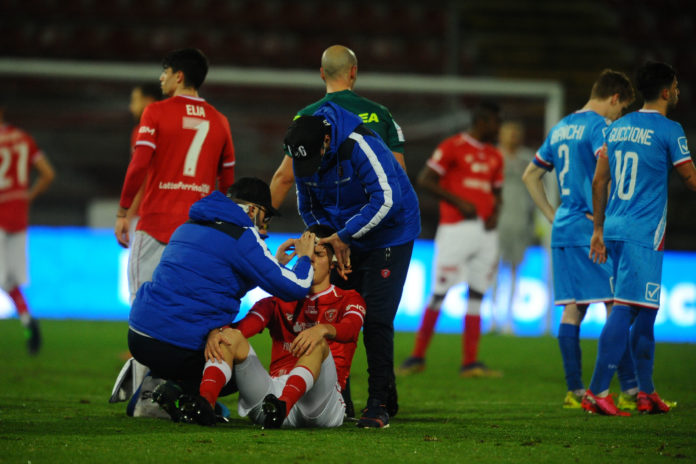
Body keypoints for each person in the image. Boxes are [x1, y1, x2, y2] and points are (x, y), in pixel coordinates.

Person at [125, 177, 315, 420]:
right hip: (175, 344)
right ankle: (175, 393)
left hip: (139, 335)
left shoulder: (189, 225)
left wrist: (275, 263)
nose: (265, 226)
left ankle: (153, 385)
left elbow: (217, 278)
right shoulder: (243, 235)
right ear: (253, 210)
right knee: (237, 367)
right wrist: (305, 258)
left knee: (199, 339)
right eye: (266, 217)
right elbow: (296, 288)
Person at [283, 103, 421, 428]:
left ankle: (379, 402)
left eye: (315, 159)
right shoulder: (305, 154)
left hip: (390, 234)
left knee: (375, 319)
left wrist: (344, 235)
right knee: (334, 312)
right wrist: (329, 241)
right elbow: (308, 206)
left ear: (326, 141)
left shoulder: (360, 144)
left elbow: (387, 200)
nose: (310, 168)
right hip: (344, 236)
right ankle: (339, 398)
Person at [522, 69, 639, 409]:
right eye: (622, 109)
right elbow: (607, 177)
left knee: (573, 310)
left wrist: (552, 215)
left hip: (563, 228)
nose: (620, 116)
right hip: (590, 228)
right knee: (616, 305)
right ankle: (631, 390)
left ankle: (574, 391)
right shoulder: (601, 127)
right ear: (614, 98)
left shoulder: (561, 127)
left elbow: (530, 175)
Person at [584, 62, 696, 416]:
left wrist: (598, 229)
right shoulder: (670, 129)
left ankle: (645, 392)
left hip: (615, 227)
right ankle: (597, 391)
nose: (677, 91)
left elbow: (599, 181)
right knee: (625, 308)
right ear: (665, 91)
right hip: (643, 233)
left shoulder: (617, 127)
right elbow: (690, 178)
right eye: (675, 86)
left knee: (646, 311)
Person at [184, 224, 366, 427]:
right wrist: (217, 332)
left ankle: (284, 404)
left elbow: (351, 329)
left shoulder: (349, 299)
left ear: (333, 263)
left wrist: (322, 329)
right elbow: (241, 330)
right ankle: (205, 405)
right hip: (272, 398)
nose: (311, 260)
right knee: (228, 337)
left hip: (320, 404)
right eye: (307, 254)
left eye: (319, 254)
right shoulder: (277, 301)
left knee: (317, 342)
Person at [114, 48, 236, 302]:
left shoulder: (155, 112)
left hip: (156, 226)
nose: (161, 78)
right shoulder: (221, 121)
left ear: (178, 76)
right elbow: (227, 183)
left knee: (143, 306)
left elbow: (138, 165)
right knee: (187, 307)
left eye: (165, 72)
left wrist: (123, 211)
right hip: (197, 233)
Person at [399, 101, 504, 379]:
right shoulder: (452, 146)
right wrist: (459, 202)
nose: (499, 128)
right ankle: (417, 356)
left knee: (478, 293)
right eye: (496, 122)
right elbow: (425, 179)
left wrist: (495, 214)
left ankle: (470, 362)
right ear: (482, 121)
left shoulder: (495, 155)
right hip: (456, 228)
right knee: (440, 291)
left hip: (486, 233)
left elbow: (497, 192)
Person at [270, 44, 406, 212]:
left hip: (328, 219)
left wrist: (260, 220)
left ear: (322, 74)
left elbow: (284, 178)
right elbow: (399, 175)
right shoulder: (381, 114)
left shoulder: (306, 117)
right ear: (353, 71)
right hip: (374, 215)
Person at [0, 103, 55, 355]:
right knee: (10, 279)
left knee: (6, 280)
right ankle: (27, 321)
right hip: (18, 216)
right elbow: (47, 173)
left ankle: (27, 321)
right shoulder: (24, 138)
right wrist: (27, 197)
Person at [491, 121, 536, 334]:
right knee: (492, 269)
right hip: (495, 222)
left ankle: (509, 319)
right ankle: (492, 318)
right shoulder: (492, 156)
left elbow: (538, 189)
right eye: (508, 133)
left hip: (519, 222)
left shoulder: (528, 159)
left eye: (516, 134)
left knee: (515, 270)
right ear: (500, 136)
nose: (512, 137)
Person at [125, 82, 161, 244]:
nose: (131, 107)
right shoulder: (172, 129)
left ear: (148, 101)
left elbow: (139, 175)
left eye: (134, 101)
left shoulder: (142, 131)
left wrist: (126, 214)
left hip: (145, 216)